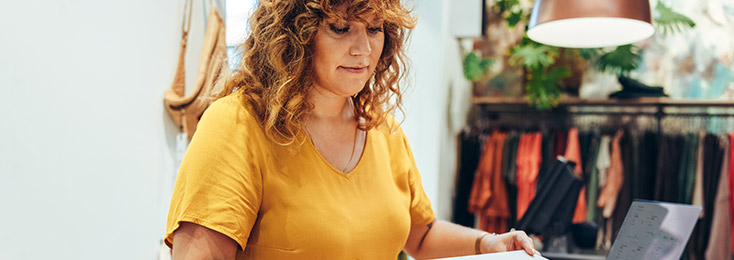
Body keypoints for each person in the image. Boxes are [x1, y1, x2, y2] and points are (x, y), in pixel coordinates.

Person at [164, 0, 539, 259]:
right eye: (340, 28)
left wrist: (488, 244)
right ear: (293, 35)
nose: (363, 49)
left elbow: (420, 235)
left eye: (374, 29)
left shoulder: (384, 131)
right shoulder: (237, 125)